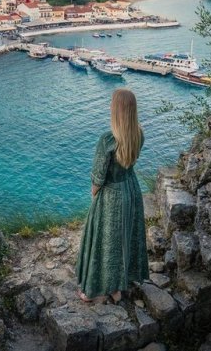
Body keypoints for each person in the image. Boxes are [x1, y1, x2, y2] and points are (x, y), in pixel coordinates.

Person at [75, 88, 149, 304]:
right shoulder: (139, 133)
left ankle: (92, 291)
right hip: (132, 190)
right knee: (125, 239)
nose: (109, 106)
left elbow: (98, 178)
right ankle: (117, 287)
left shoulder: (107, 140)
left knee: (104, 244)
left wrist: (94, 195)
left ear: (116, 110)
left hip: (111, 196)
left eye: (112, 104)